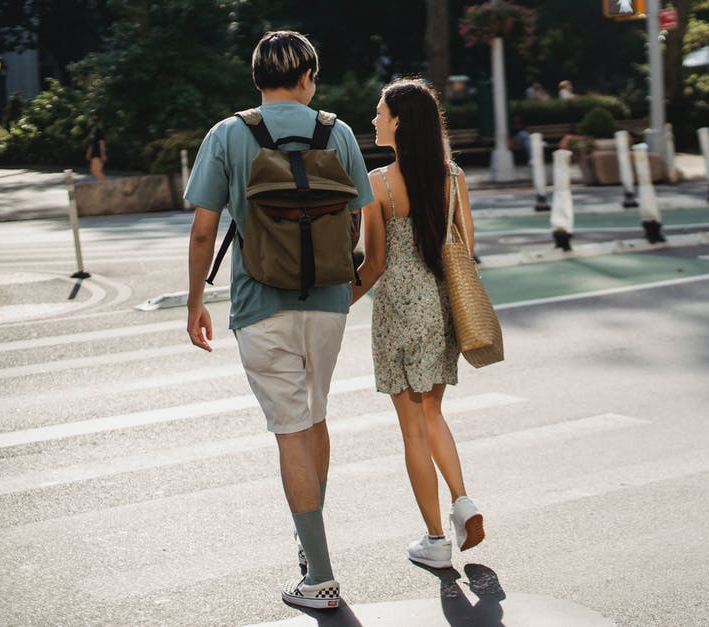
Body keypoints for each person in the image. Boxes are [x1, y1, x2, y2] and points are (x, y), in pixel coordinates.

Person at [184, 30, 373, 609]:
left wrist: (195, 301)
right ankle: (307, 534)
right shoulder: (336, 132)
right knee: (314, 419)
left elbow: (202, 230)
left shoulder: (227, 135)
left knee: (290, 431)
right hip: (330, 305)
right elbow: (360, 219)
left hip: (260, 304)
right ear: (309, 77)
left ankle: (318, 576)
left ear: (256, 78)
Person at [352, 78, 485, 569]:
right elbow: (466, 250)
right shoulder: (453, 176)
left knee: (411, 429)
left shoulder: (379, 183)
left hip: (398, 314)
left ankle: (435, 539)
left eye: (379, 111)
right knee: (434, 415)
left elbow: (374, 263)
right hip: (442, 308)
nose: (374, 119)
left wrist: (336, 301)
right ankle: (463, 501)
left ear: (399, 121)